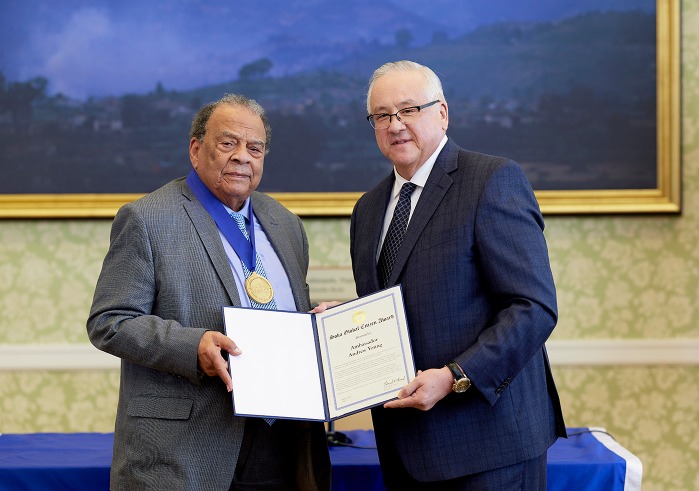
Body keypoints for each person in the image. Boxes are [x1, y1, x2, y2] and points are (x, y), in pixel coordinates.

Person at [87, 93, 331, 490]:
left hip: (282, 445)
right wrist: (193, 346)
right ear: (196, 149)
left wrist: (320, 330)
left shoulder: (286, 224)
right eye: (228, 143)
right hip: (187, 452)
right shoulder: (147, 219)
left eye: (255, 147)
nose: (242, 156)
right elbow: (109, 322)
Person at [350, 60, 567, 489]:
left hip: (490, 448)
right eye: (381, 115)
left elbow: (533, 307)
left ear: (442, 112)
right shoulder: (368, 208)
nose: (395, 125)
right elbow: (394, 304)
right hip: (404, 449)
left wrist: (455, 376)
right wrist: (345, 320)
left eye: (409, 110)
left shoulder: (492, 180)